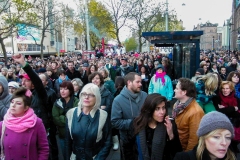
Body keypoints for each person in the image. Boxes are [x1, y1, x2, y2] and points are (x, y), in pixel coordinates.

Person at [65, 83, 111, 159]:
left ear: (97, 98)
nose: (86, 97)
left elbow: (108, 142)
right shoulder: (71, 114)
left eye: (91, 95)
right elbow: (67, 141)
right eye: (84, 94)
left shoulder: (103, 115)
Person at [0, 87, 49, 159]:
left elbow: (43, 148)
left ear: (26, 108)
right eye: (12, 102)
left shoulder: (36, 123)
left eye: (18, 103)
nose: (13, 105)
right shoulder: (3, 124)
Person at [134, 94, 182, 160]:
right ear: (149, 110)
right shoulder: (138, 124)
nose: (162, 112)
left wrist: (171, 135)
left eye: (163, 108)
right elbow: (130, 147)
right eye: (157, 109)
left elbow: (177, 151)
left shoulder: (170, 125)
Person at [111, 72, 148, 160]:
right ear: (129, 82)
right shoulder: (118, 100)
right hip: (127, 141)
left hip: (145, 137)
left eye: (141, 82)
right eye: (138, 82)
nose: (140, 84)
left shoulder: (145, 95)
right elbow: (115, 122)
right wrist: (134, 122)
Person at [172, 78, 204, 151]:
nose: (174, 90)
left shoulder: (196, 112)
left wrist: (187, 156)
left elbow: (194, 139)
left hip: (184, 149)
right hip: (176, 145)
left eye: (176, 88)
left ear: (184, 92)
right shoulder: (176, 105)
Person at [52, 81, 79, 156]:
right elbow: (55, 119)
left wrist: (62, 117)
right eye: (61, 89)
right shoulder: (57, 103)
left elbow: (75, 118)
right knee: (65, 155)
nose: (62, 91)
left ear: (70, 90)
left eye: (65, 89)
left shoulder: (76, 101)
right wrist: (67, 118)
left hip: (75, 136)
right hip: (62, 135)